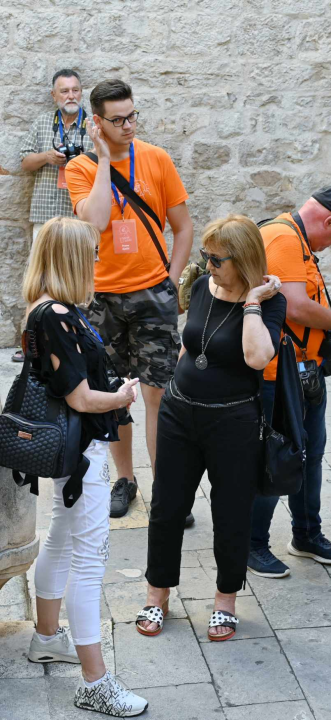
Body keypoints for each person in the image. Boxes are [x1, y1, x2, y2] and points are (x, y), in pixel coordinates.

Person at [136, 216, 285, 639]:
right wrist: (173, 386)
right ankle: (157, 594)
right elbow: (191, 343)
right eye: (205, 254)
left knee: (231, 511)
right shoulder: (202, 287)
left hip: (233, 420)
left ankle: (225, 600)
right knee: (167, 507)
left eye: (216, 258)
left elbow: (258, 358)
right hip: (180, 414)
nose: (207, 263)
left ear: (242, 260)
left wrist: (253, 303)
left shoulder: (271, 302)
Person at [23, 217, 147, 716]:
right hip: (84, 453)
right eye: (91, 254)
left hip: (69, 452)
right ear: (70, 259)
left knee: (60, 537)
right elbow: (78, 397)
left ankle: (47, 637)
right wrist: (120, 396)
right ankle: (95, 682)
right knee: (90, 559)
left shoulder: (49, 308)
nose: (97, 262)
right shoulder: (54, 314)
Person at [65, 79, 194, 520]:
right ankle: (126, 481)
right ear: (97, 122)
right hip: (101, 297)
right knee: (114, 393)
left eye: (132, 115)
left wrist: (170, 282)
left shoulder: (156, 158)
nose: (128, 125)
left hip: (152, 294)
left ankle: (165, 488)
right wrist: (103, 158)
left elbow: (184, 226)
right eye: (117, 119)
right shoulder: (80, 168)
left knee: (159, 396)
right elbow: (97, 219)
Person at [247, 188, 331, 578]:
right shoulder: (284, 237)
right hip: (275, 377)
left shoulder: (297, 240)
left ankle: (306, 535)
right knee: (275, 459)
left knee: (309, 456)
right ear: (330, 221)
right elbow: (297, 306)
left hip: (304, 373)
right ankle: (251, 545)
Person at [20, 70, 94, 243]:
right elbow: (25, 163)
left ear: (81, 92)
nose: (71, 96)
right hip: (45, 215)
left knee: (78, 269)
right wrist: (47, 157)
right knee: (42, 270)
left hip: (80, 218)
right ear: (54, 95)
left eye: (75, 90)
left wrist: (82, 160)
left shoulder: (93, 125)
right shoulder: (42, 122)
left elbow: (107, 166)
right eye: (64, 91)